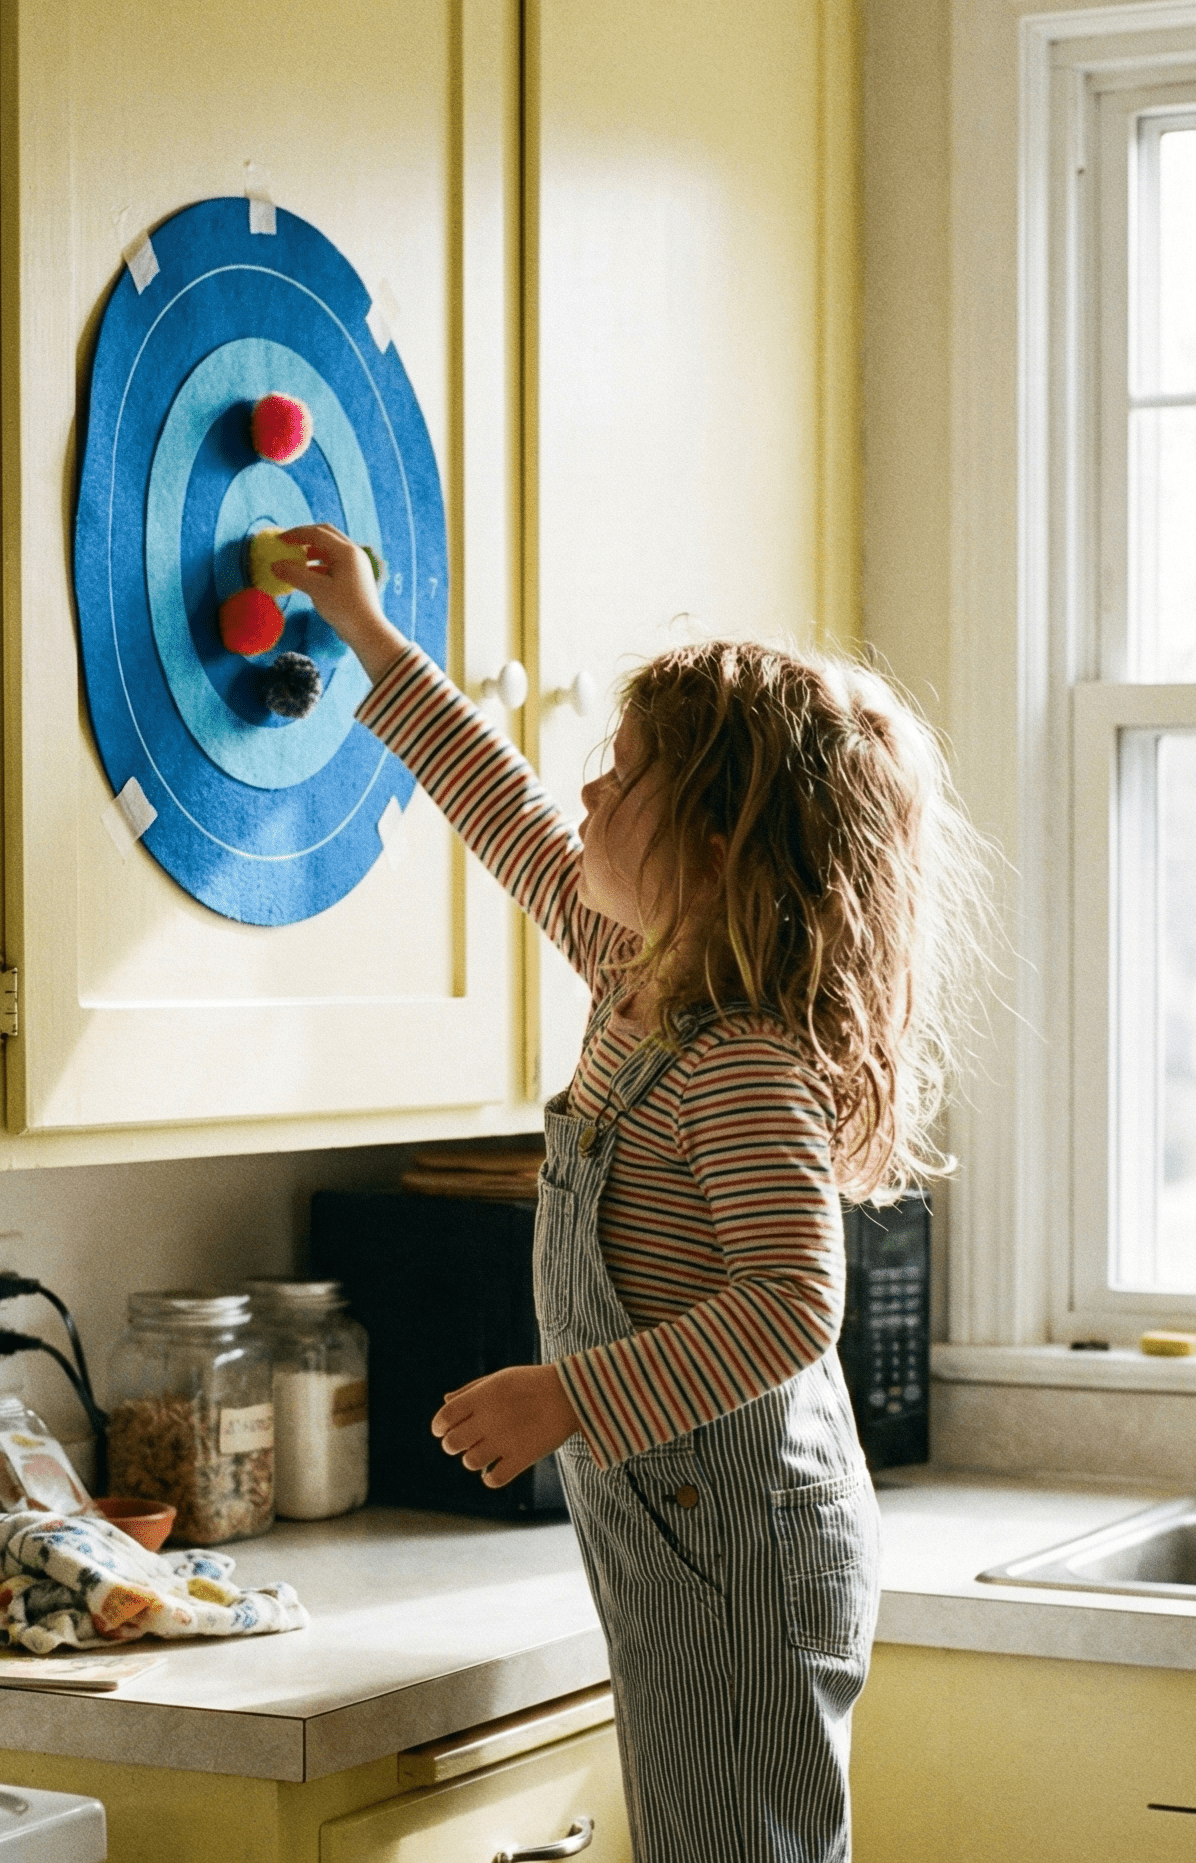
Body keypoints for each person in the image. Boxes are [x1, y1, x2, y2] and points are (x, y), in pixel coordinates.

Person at [275, 523, 987, 1863]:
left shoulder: (738, 1055)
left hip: (744, 1558)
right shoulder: (638, 972)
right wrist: (371, 637)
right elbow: (505, 813)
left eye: (623, 776)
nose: (586, 797)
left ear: (715, 841)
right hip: (687, 1532)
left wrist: (566, 1394)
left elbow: (792, 1305)